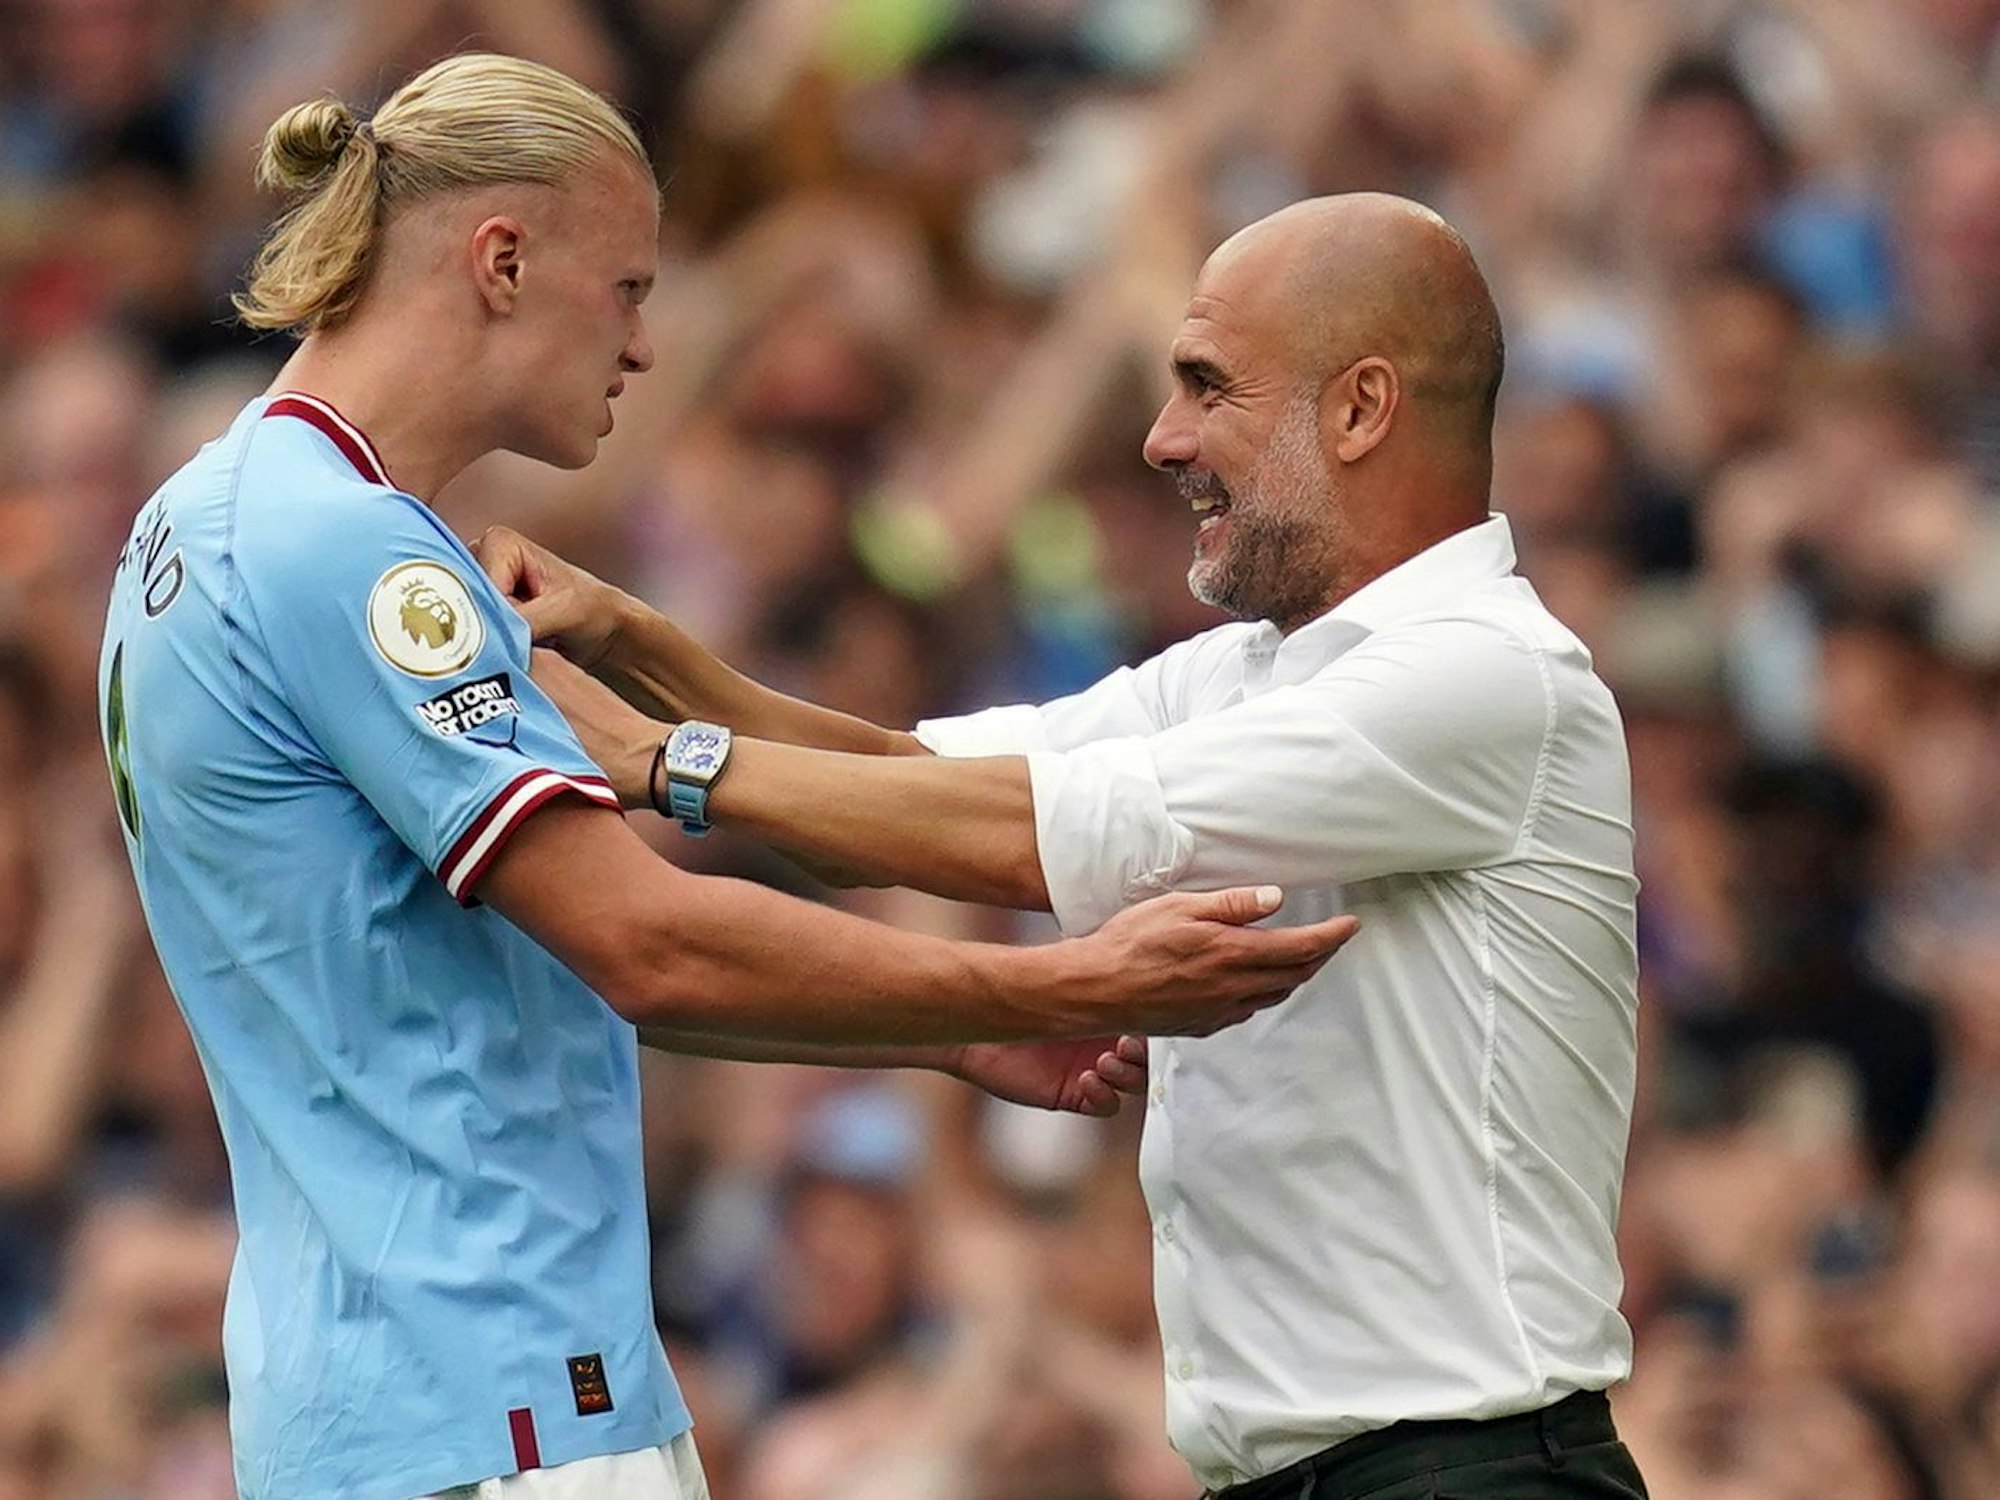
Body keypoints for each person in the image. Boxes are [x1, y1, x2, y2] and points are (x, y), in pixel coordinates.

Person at [95, 55, 1361, 1500]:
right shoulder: (353, 551)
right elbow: (647, 942)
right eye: (630, 290)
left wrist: (933, 1037)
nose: (647, 348)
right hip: (501, 1402)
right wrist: (1061, 984)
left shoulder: (188, 522)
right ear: (502, 261)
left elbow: (481, 991)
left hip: (351, 1402)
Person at [487, 193, 1653, 1498]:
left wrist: (667, 764)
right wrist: (636, 647)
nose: (1164, 441)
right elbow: (909, 779)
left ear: (1362, 409)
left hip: (1473, 1475)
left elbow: (1039, 837)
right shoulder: (1240, 675)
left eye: (1210, 388)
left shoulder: (1489, 678)